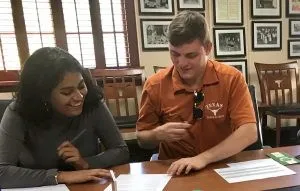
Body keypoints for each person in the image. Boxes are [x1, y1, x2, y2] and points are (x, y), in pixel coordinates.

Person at [136, 11, 257, 176]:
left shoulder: (231, 78)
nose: (182, 63)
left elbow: (249, 132)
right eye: (175, 54)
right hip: (174, 169)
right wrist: (157, 134)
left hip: (221, 165)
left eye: (191, 55)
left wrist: (203, 158)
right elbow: (142, 138)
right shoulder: (155, 84)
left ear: (207, 48)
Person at [0, 47, 129, 188]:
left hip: (87, 187)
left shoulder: (92, 103)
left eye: (81, 86)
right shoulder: (18, 113)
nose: (79, 97)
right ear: (43, 95)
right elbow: (2, 172)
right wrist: (61, 176)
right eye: (67, 92)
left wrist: (86, 163)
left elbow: (121, 150)